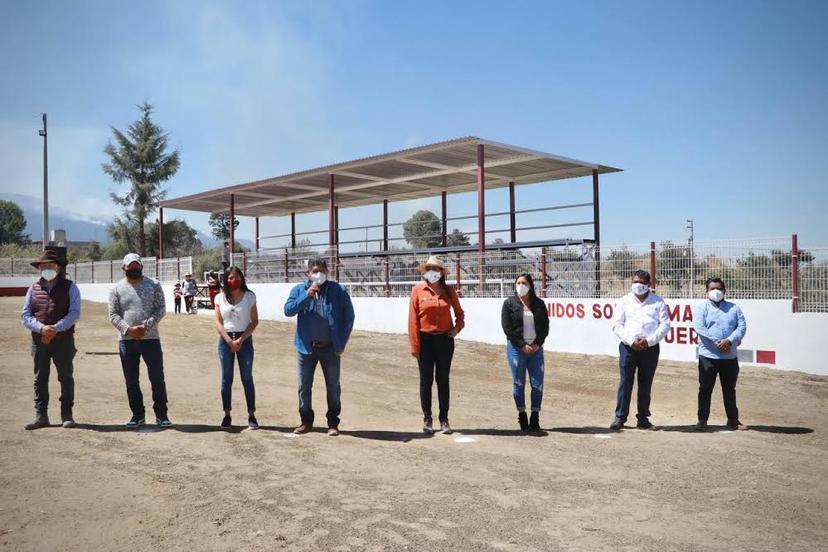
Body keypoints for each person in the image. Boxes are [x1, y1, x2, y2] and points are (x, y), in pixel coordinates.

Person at [284, 258, 355, 436]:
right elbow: (288, 310)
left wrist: (342, 342)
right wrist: (307, 295)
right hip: (305, 348)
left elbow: (349, 316)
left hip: (330, 348)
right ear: (308, 273)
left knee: (333, 386)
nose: (319, 274)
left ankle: (333, 423)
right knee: (304, 386)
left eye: (322, 270)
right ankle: (306, 421)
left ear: (327, 272)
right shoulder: (299, 290)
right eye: (315, 271)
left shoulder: (338, 291)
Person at [108, 253, 172, 429]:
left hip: (151, 339)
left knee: (157, 378)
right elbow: (113, 315)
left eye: (137, 266)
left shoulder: (154, 285)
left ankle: (162, 415)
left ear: (142, 267)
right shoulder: (116, 289)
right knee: (131, 380)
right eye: (130, 266)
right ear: (124, 268)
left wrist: (146, 327)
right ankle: (137, 415)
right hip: (127, 341)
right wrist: (128, 330)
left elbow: (161, 308)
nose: (134, 268)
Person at [20, 249, 81, 430]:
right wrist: (42, 328)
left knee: (66, 377)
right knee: (40, 378)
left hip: (63, 340)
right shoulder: (33, 288)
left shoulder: (70, 287)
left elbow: (74, 313)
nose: (46, 268)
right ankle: (41, 416)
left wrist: (55, 328)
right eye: (43, 266)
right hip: (39, 341)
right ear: (39, 268)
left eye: (50, 265)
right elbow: (25, 315)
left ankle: (67, 415)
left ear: (59, 267)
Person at [408, 255, 465, 435]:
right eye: (429, 268)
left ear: (441, 272)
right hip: (425, 341)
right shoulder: (417, 290)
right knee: (426, 381)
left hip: (444, 341)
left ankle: (444, 419)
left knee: (443, 380)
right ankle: (427, 419)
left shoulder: (449, 292)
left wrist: (456, 329)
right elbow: (413, 320)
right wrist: (415, 346)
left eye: (436, 269)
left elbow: (460, 314)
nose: (432, 272)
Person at [609, 270, 671, 431]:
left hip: (650, 349)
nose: (638, 285)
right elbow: (617, 324)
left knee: (645, 383)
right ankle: (620, 417)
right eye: (635, 281)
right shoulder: (624, 301)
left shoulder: (658, 302)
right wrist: (630, 341)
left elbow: (665, 325)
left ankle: (643, 418)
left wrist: (649, 341)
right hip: (628, 348)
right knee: (625, 382)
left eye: (642, 282)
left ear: (649, 285)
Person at [693, 277, 748, 431]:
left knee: (729, 389)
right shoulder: (701, 308)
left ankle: (733, 420)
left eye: (719, 288)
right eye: (712, 288)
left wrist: (729, 341)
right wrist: (719, 343)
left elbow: (741, 327)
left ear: (724, 291)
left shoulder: (734, 308)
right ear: (707, 291)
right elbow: (700, 329)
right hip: (708, 356)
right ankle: (702, 420)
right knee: (705, 389)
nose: (715, 291)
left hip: (729, 357)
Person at [501, 273, 549, 431]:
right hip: (516, 349)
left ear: (530, 286)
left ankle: (535, 416)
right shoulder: (509, 304)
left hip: (536, 350)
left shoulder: (539, 304)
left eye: (524, 283)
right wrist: (522, 345)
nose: (520, 286)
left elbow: (544, 327)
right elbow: (507, 328)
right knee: (518, 382)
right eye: (518, 283)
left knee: (537, 384)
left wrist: (536, 344)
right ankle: (522, 414)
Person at [214, 266, 259, 430]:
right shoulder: (219, 298)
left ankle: (252, 415)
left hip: (244, 339)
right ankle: (227, 414)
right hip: (225, 340)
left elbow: (254, 321)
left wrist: (241, 339)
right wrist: (229, 341)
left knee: (247, 377)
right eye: (231, 278)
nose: (234, 281)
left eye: (237, 277)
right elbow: (218, 322)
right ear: (226, 280)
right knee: (226, 379)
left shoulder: (249, 297)